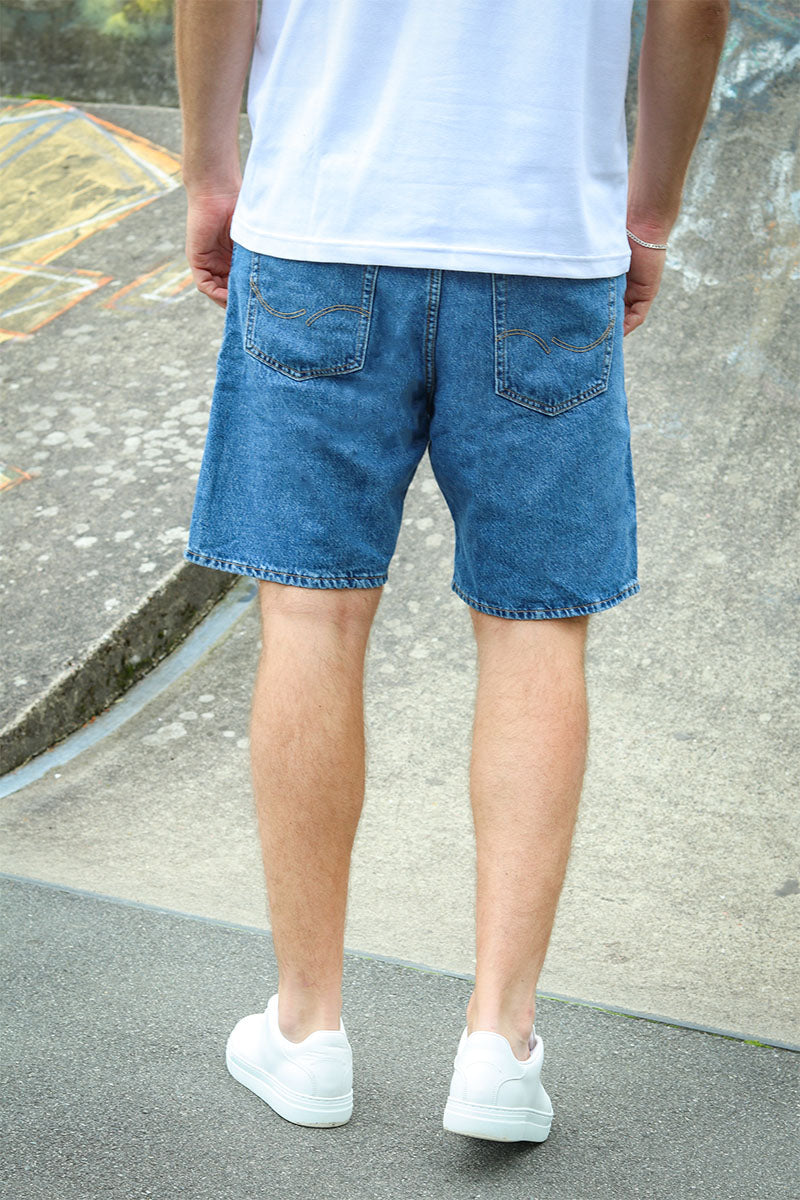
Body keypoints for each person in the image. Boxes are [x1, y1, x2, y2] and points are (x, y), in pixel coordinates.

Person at [175, 0, 730, 1143]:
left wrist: (209, 170)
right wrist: (649, 211)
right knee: (534, 628)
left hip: (322, 217)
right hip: (541, 234)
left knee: (310, 619)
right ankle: (496, 1040)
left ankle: (306, 1029)